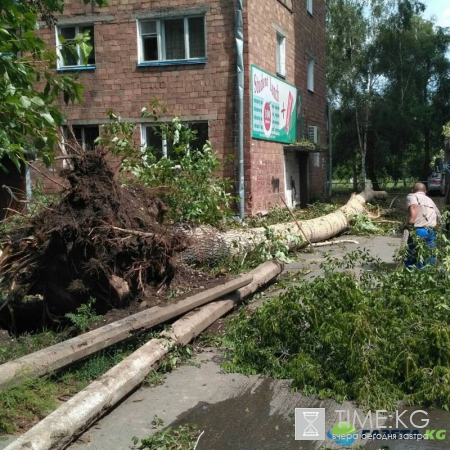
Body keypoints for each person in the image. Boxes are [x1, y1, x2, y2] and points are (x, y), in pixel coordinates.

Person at [404, 182, 441, 268]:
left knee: (412, 255)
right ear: (425, 192)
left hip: (418, 230)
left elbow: (414, 208)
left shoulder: (412, 196)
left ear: (412, 190)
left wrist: (409, 225)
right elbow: (438, 215)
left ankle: (410, 276)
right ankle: (426, 276)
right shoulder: (430, 200)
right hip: (431, 231)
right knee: (428, 256)